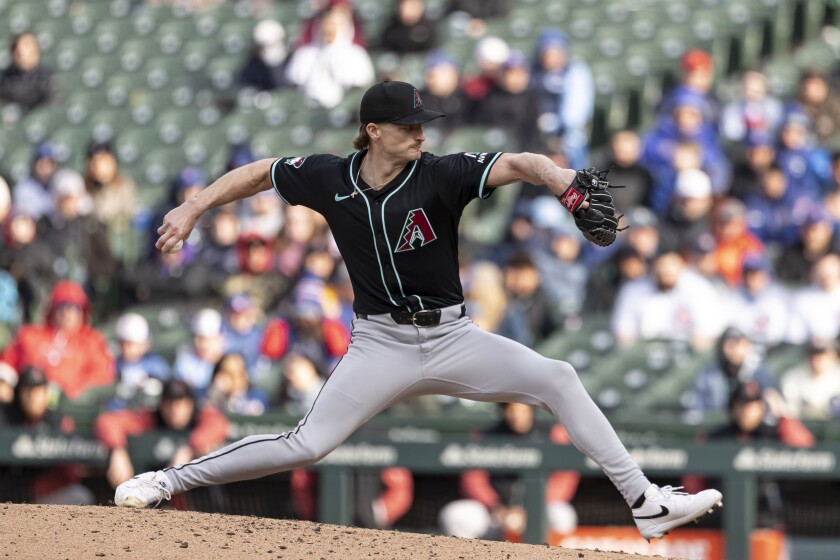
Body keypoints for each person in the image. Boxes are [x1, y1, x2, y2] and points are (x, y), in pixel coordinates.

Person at [115, 79, 722, 541]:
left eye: (422, 124)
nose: (421, 133)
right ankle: (168, 480)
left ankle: (646, 503)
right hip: (380, 344)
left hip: (455, 337)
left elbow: (520, 163)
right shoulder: (330, 177)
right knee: (306, 444)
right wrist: (194, 207)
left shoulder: (441, 175)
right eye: (408, 125)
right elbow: (259, 173)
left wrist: (562, 181)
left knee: (558, 378)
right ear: (373, 130)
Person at [438, 402, 580, 542]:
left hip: (538, 513)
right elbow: (473, 479)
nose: (517, 416)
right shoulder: (486, 436)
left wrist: (533, 509)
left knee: (562, 514)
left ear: (531, 409)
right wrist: (495, 507)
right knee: (455, 515)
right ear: (503, 411)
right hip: (497, 515)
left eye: (522, 410)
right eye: (512, 410)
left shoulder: (551, 434)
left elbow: (564, 479)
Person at [94, 379, 229, 490]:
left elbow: (219, 424)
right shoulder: (152, 418)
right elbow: (107, 420)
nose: (175, 410)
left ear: (191, 405)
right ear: (162, 404)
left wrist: (190, 447)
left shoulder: (200, 417)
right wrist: (118, 450)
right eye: (170, 403)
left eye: (182, 404)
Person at [0, 280, 114, 400]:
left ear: (82, 311)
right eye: (62, 306)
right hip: (27, 402)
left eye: (73, 307)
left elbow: (101, 375)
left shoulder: (92, 341)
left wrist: (74, 391)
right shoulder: (30, 335)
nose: (66, 313)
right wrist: (4, 382)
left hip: (71, 406)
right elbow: (8, 361)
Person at [0, 367, 94, 505]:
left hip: (41, 498)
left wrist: (37, 487)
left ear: (46, 393)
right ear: (19, 393)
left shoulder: (57, 420)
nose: (33, 397)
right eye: (28, 391)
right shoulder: (6, 416)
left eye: (38, 391)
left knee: (80, 496)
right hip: (6, 496)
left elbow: (70, 472)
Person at [687, 327, 778, 414]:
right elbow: (697, 410)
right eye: (729, 345)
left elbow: (770, 403)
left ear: (747, 344)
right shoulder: (709, 375)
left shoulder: (758, 373)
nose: (733, 349)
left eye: (737, 344)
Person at [780, 338, 840, 420]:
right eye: (813, 354)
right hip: (802, 426)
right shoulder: (793, 377)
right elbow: (788, 411)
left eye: (822, 354)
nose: (816, 359)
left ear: (832, 356)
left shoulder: (837, 377)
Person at [0, 32, 57, 112]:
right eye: (16, 48)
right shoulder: (7, 78)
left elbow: (54, 104)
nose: (20, 51)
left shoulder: (47, 76)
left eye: (26, 45)